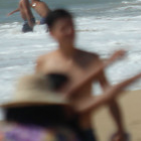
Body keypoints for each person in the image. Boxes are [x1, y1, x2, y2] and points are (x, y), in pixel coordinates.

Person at [35, 9, 128, 141]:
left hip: (84, 133)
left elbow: (109, 97)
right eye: (63, 28)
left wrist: (120, 129)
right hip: (53, 134)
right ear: (52, 33)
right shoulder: (44, 62)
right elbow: (36, 101)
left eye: (72, 26)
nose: (70, 32)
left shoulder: (91, 59)